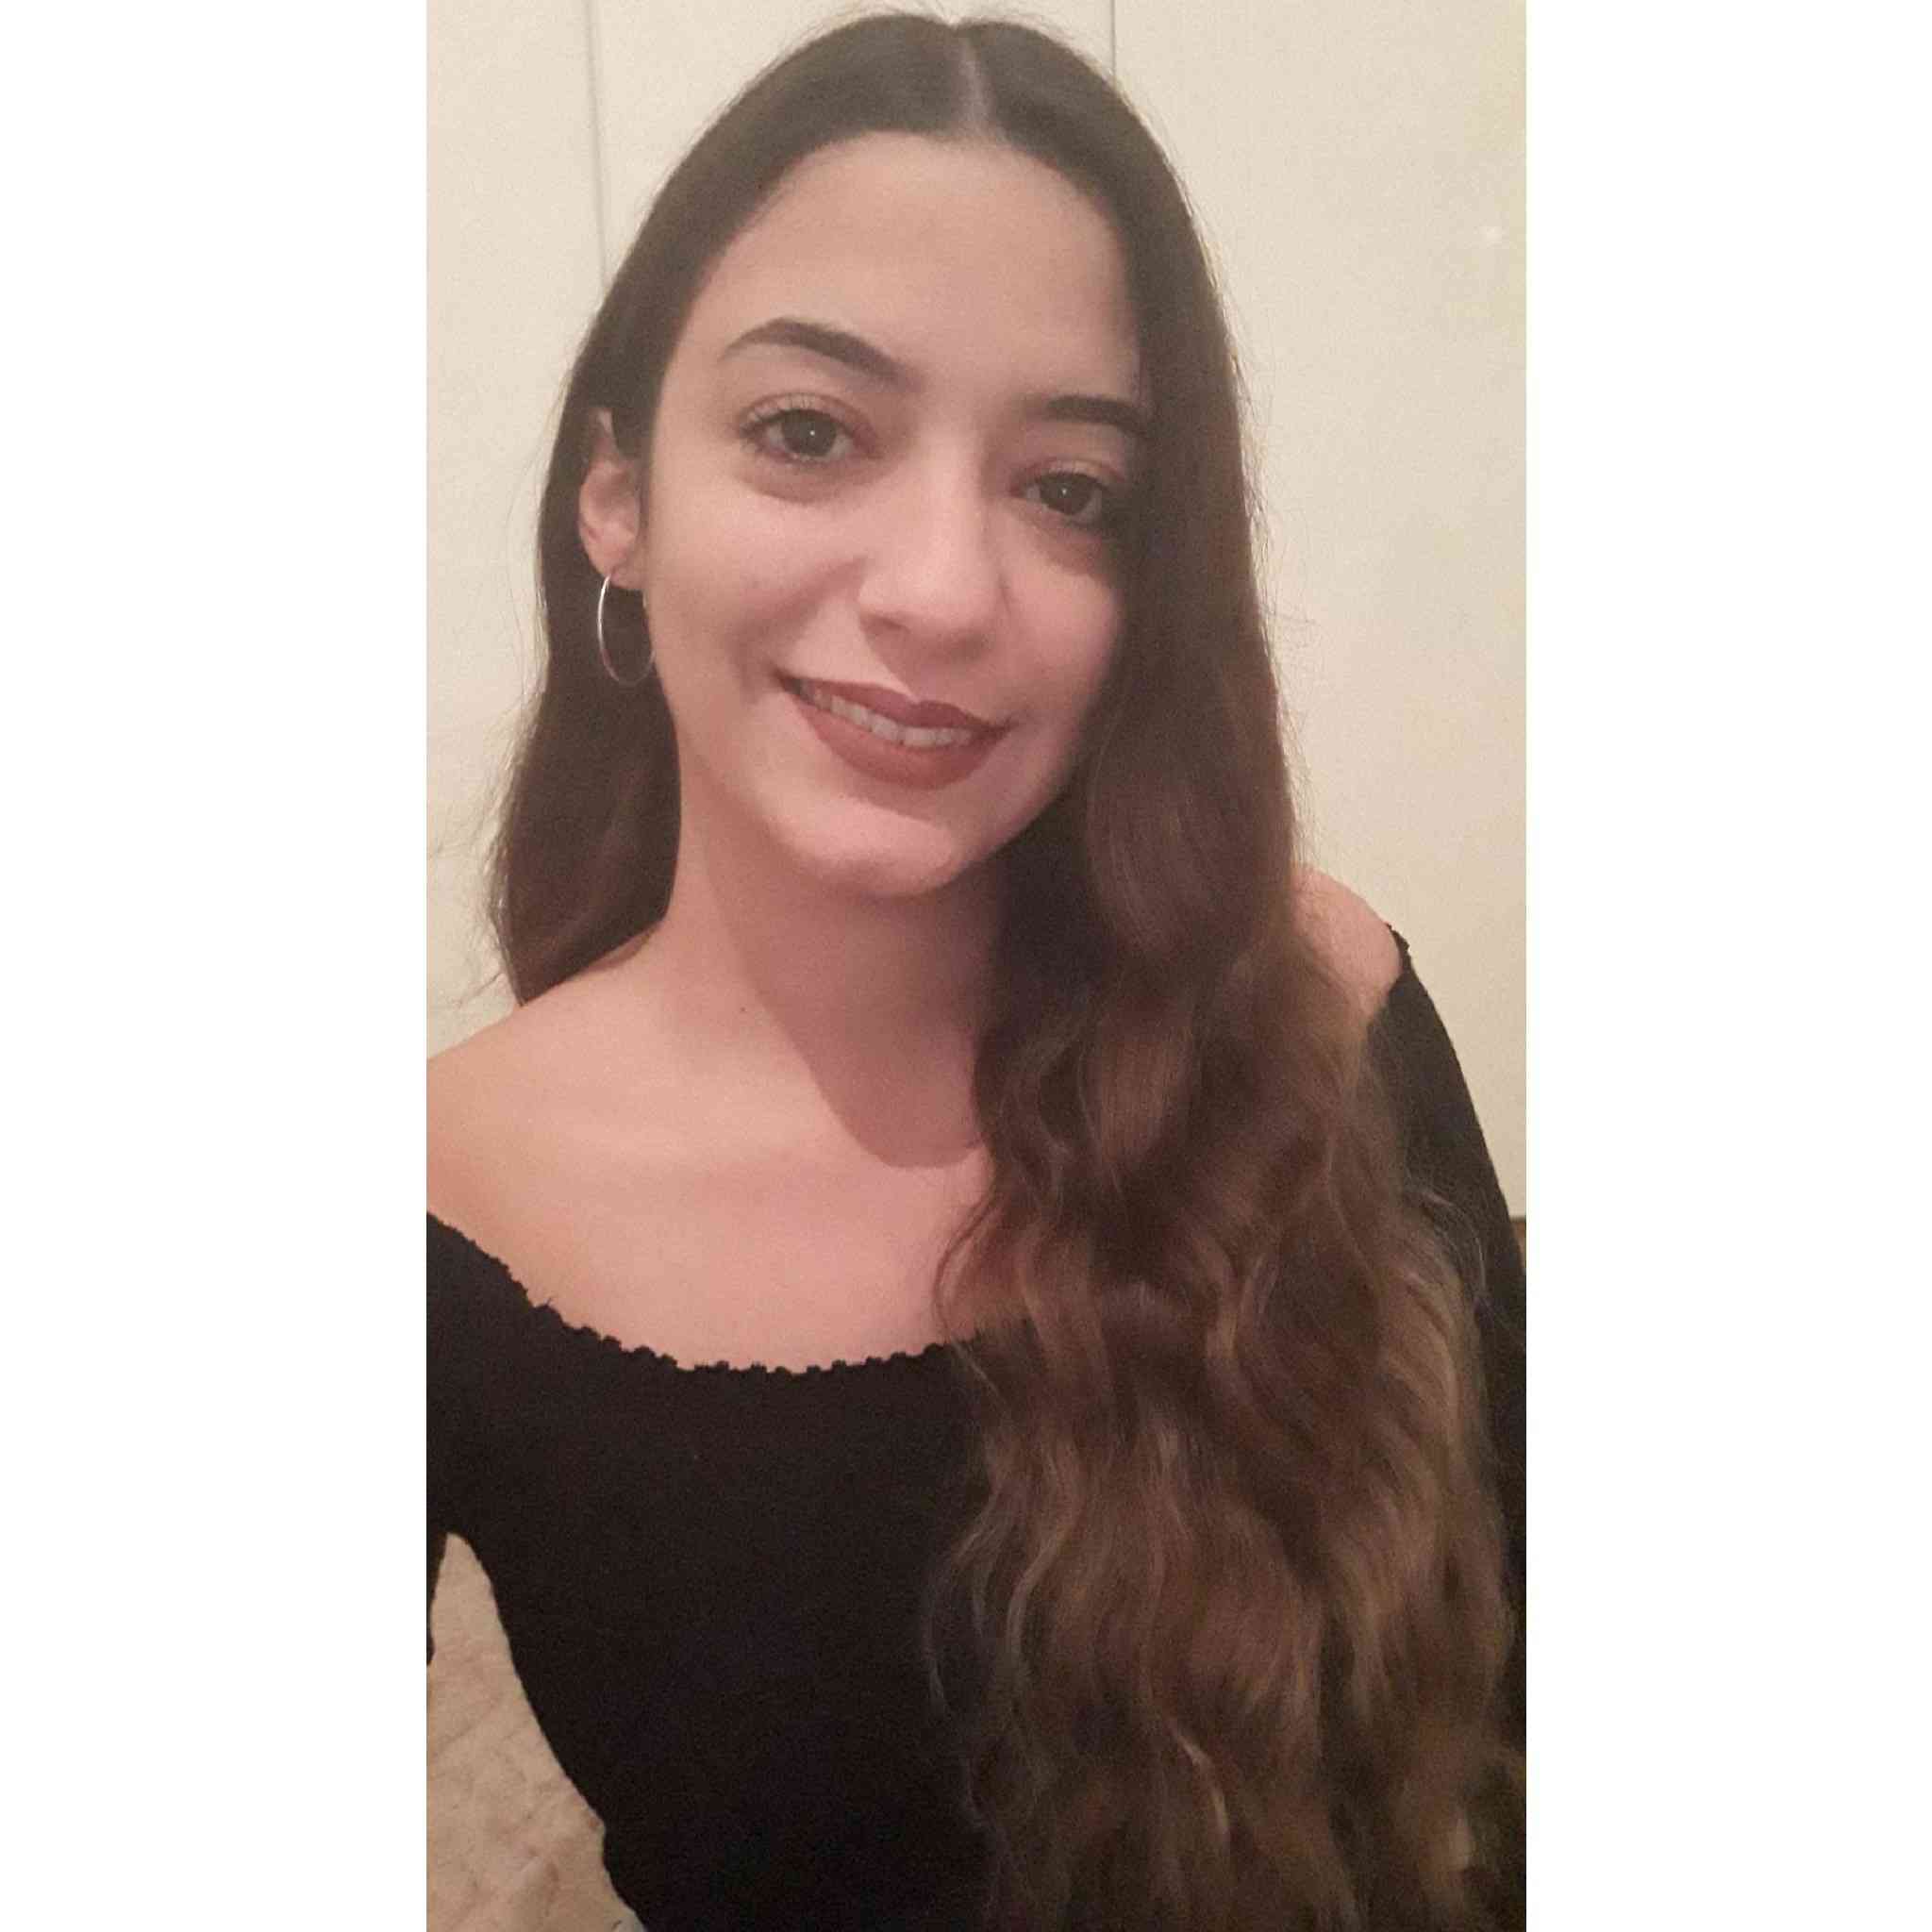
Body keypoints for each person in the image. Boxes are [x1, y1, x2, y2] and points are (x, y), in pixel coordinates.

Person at [428, 13, 1524, 1930]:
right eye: (808, 433)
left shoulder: (1311, 1002)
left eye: (1070, 489)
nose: (942, 590)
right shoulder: (432, 1197)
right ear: (618, 493)